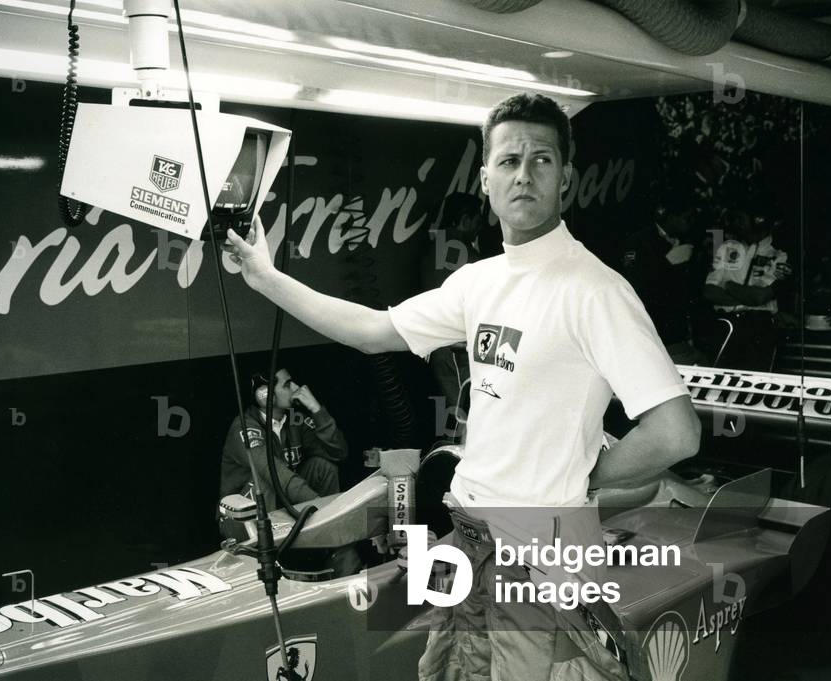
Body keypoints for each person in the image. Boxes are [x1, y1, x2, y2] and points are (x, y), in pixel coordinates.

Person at [223, 92, 699, 680]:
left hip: (539, 555)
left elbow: (676, 431)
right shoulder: (478, 282)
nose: (523, 174)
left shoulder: (593, 290)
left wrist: (585, 475)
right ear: (485, 178)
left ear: (566, 178)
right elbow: (373, 331)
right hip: (467, 536)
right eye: (508, 161)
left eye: (541, 160)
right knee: (441, 673)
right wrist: (265, 279)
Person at [219, 368, 348, 513]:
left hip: (282, 501)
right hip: (240, 516)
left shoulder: (294, 419)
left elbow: (338, 453)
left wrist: (316, 410)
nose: (296, 388)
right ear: (265, 395)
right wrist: (320, 505)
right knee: (266, 480)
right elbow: (274, 472)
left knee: (323, 467)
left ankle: (327, 525)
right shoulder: (244, 427)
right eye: (287, 384)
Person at [420, 192, 488, 443]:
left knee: (454, 414)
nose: (480, 224)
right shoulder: (465, 254)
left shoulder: (432, 249)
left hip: (438, 347)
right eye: (476, 218)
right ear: (463, 219)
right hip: (455, 349)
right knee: (465, 415)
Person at [702, 207, 792, 371]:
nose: (738, 224)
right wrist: (747, 296)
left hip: (759, 328)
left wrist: (727, 285)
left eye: (742, 219)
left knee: (757, 385)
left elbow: (759, 297)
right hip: (725, 325)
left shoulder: (780, 254)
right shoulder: (727, 248)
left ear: (758, 221)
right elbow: (709, 292)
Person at [619, 197, 702, 363]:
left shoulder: (691, 240)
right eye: (686, 218)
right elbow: (634, 283)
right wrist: (667, 263)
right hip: (653, 327)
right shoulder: (639, 241)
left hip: (682, 328)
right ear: (671, 217)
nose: (690, 223)